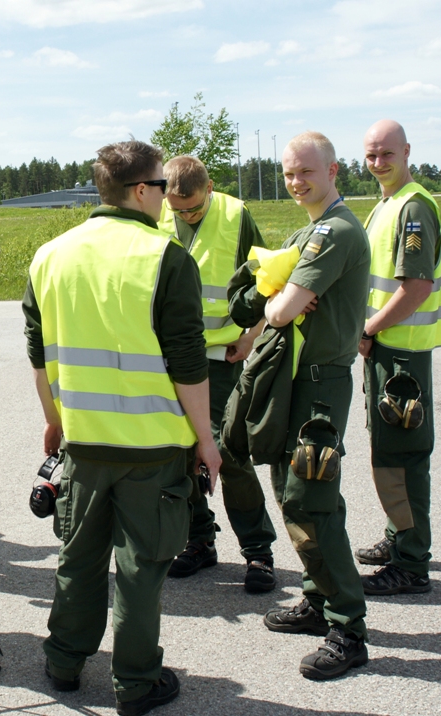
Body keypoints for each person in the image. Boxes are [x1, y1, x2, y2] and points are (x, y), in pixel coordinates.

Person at [23, 140, 222, 715]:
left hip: (83, 442)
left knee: (79, 556)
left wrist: (53, 424)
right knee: (140, 566)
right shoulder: (166, 258)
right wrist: (205, 440)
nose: (165, 197)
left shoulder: (49, 256)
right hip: (153, 446)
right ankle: (136, 682)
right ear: (142, 190)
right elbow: (188, 362)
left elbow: (39, 356)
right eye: (161, 186)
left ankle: (63, 660)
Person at [260, 132, 371, 680]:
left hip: (320, 384)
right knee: (291, 491)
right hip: (296, 380)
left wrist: (283, 301)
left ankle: (348, 626)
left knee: (313, 498)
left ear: (333, 171)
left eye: (307, 171)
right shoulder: (308, 229)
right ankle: (317, 597)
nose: (297, 181)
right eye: (288, 173)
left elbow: (280, 311)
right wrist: (284, 299)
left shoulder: (335, 231)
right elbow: (280, 302)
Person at [157, 155, 278, 592]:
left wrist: (251, 335)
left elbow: (269, 279)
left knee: (228, 453)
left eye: (192, 207)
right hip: (171, 359)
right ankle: (199, 540)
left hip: (221, 359)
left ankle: (258, 552)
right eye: (177, 209)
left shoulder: (234, 214)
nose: (185, 215)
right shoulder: (159, 213)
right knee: (182, 451)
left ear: (208, 189)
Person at [356, 119, 441, 595]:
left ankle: (411, 564)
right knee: (388, 449)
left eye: (386, 154)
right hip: (387, 348)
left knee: (404, 456)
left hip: (402, 354)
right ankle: (399, 536)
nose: (378, 163)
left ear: (407, 151)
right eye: (371, 155)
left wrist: (368, 328)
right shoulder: (385, 205)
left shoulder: (413, 208)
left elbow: (415, 288)